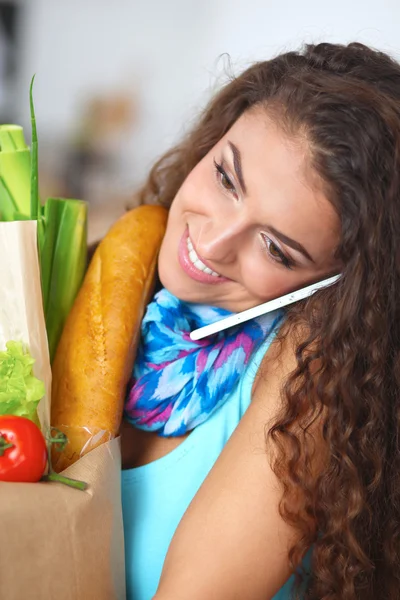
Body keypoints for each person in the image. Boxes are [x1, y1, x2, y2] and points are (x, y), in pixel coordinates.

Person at [120, 42, 400, 600]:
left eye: (275, 249)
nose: (212, 241)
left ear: (341, 288)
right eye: (226, 178)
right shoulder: (129, 276)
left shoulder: (312, 377)